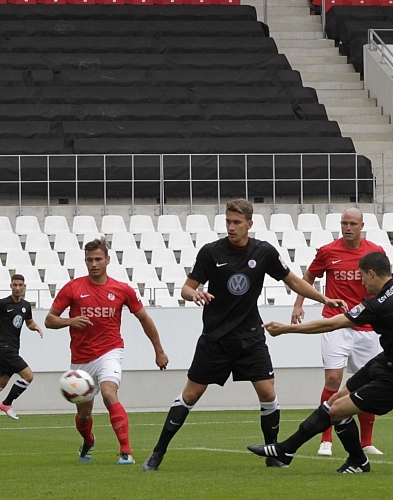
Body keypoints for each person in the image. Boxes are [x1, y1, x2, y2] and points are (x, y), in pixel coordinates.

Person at [141, 199, 346, 472]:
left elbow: (294, 281)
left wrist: (324, 299)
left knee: (268, 393)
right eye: (228, 221)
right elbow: (186, 289)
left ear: (249, 224)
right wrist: (195, 294)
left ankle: (272, 452)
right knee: (190, 396)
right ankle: (158, 452)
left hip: (250, 338)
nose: (231, 227)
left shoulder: (263, 252)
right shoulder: (211, 252)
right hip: (215, 339)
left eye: (236, 222)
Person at [249, 192, 393, 474]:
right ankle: (286, 450)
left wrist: (287, 329)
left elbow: (331, 324)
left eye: (362, 277)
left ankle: (358, 460)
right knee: (334, 400)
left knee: (337, 411)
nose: (361, 283)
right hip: (388, 363)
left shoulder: (378, 305)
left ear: (372, 273)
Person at [45, 237, 168, 465]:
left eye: (98, 259)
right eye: (89, 260)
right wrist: (70, 321)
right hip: (81, 358)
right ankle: (88, 440)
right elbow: (49, 320)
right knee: (84, 415)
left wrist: (159, 351)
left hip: (110, 351)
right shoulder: (72, 288)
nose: (94, 264)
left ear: (107, 260)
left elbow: (144, 319)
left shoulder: (122, 290)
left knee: (109, 393)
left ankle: (125, 451)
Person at [291, 207, 386, 457]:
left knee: (369, 383)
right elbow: (308, 277)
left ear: (362, 225)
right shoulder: (328, 251)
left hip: (366, 325)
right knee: (333, 379)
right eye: (344, 223)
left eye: (352, 224)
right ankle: (326, 438)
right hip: (336, 322)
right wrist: (298, 304)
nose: (348, 228)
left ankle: (367, 442)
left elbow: (385, 285)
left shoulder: (375, 252)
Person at [0, 273, 43, 423]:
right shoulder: (3, 303)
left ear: (24, 287)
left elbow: (29, 322)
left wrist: (35, 327)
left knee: (0, 384)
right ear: (11, 286)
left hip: (14, 348)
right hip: (4, 349)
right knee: (28, 376)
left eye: (20, 285)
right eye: (15, 285)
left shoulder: (25, 306)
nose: (17, 288)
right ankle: (6, 403)